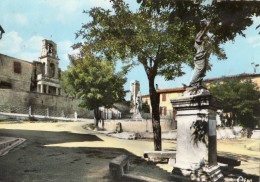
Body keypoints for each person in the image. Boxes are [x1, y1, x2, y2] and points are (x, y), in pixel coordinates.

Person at [189, 19, 214, 87]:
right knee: (199, 70)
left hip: (200, 56)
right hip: (200, 56)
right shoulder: (198, 40)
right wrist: (207, 25)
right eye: (201, 36)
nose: (202, 37)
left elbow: (203, 32)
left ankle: (197, 83)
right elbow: (203, 32)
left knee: (201, 71)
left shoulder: (198, 41)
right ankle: (193, 83)